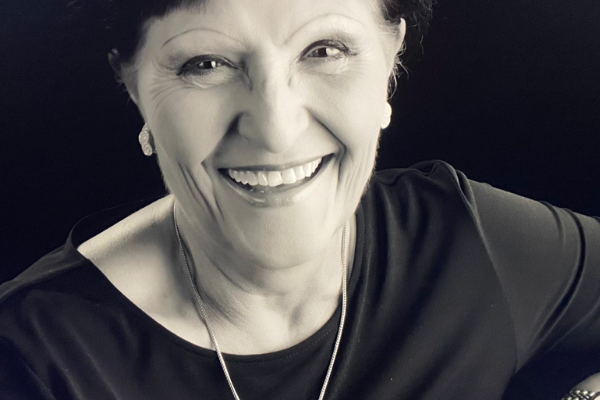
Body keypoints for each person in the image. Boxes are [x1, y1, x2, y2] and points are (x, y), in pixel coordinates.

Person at [0, 0, 599, 398]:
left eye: (324, 51)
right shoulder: (34, 360)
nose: (275, 130)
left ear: (390, 59)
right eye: (207, 63)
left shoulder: (464, 240)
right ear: (133, 86)